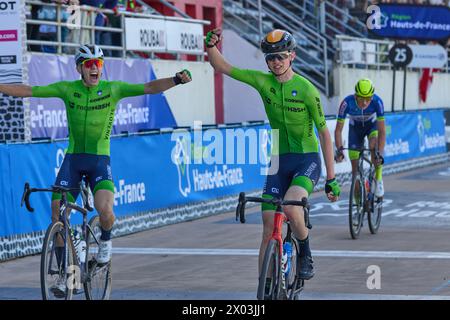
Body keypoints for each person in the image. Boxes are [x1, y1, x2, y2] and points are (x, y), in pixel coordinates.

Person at [0, 44, 192, 296]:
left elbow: (148, 88)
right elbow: (27, 91)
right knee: (57, 214)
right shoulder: (68, 89)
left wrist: (176, 80)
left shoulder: (113, 89)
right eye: (89, 64)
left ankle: (105, 244)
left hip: (100, 160)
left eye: (98, 63)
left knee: (106, 211)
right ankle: (67, 278)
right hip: (73, 160)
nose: (94, 68)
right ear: (80, 67)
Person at [205, 29, 340, 287]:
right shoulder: (262, 81)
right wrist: (211, 45)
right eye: (270, 58)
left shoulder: (306, 89)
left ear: (292, 57)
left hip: (306, 158)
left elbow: (324, 133)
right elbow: (221, 65)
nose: (275, 62)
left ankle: (306, 252)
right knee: (268, 226)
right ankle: (266, 288)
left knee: (290, 206)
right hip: (278, 159)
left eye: (280, 57)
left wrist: (331, 178)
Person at [334, 78, 385, 197]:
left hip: (371, 127)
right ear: (355, 96)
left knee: (373, 145)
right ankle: (358, 207)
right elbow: (338, 130)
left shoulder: (377, 102)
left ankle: (378, 178)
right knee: (355, 173)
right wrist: (339, 149)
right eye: (361, 98)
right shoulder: (347, 103)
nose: (365, 103)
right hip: (355, 130)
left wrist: (380, 154)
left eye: (368, 99)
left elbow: (382, 131)